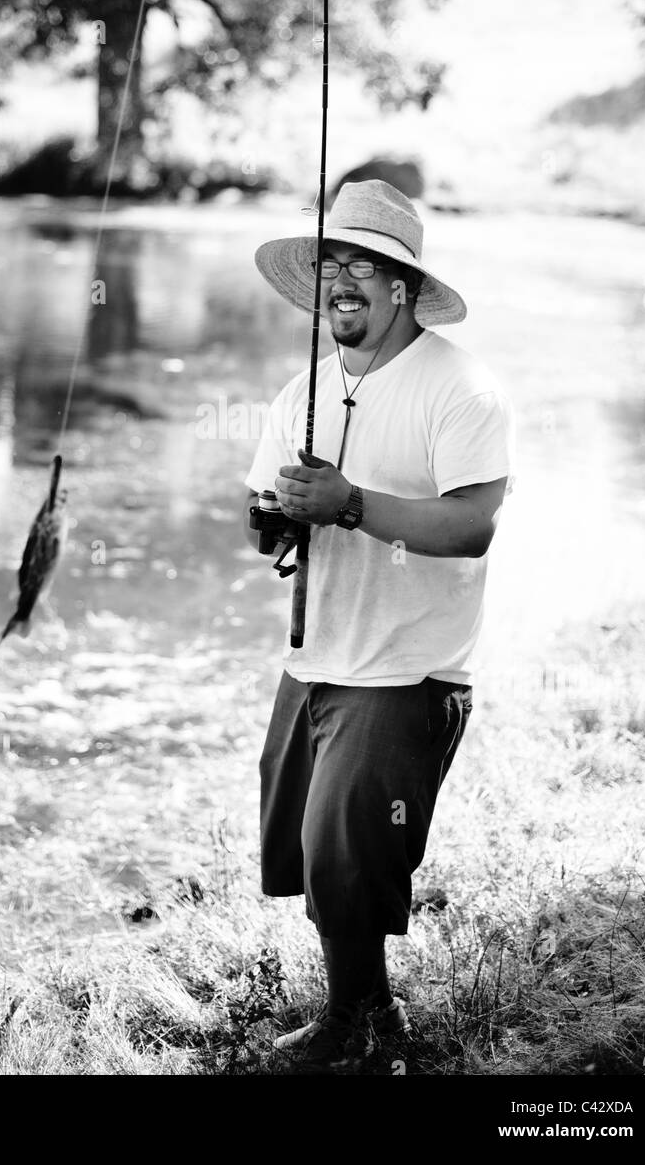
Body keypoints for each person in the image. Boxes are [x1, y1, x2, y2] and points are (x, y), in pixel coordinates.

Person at [243, 179, 515, 1071]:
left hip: (407, 667)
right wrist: (274, 519)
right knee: (309, 845)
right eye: (331, 265)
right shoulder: (302, 389)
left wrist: (351, 503)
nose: (342, 282)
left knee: (347, 850)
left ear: (403, 286)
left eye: (363, 266)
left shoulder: (462, 388)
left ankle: (358, 1024)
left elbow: (469, 527)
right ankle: (365, 1014)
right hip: (315, 658)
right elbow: (261, 519)